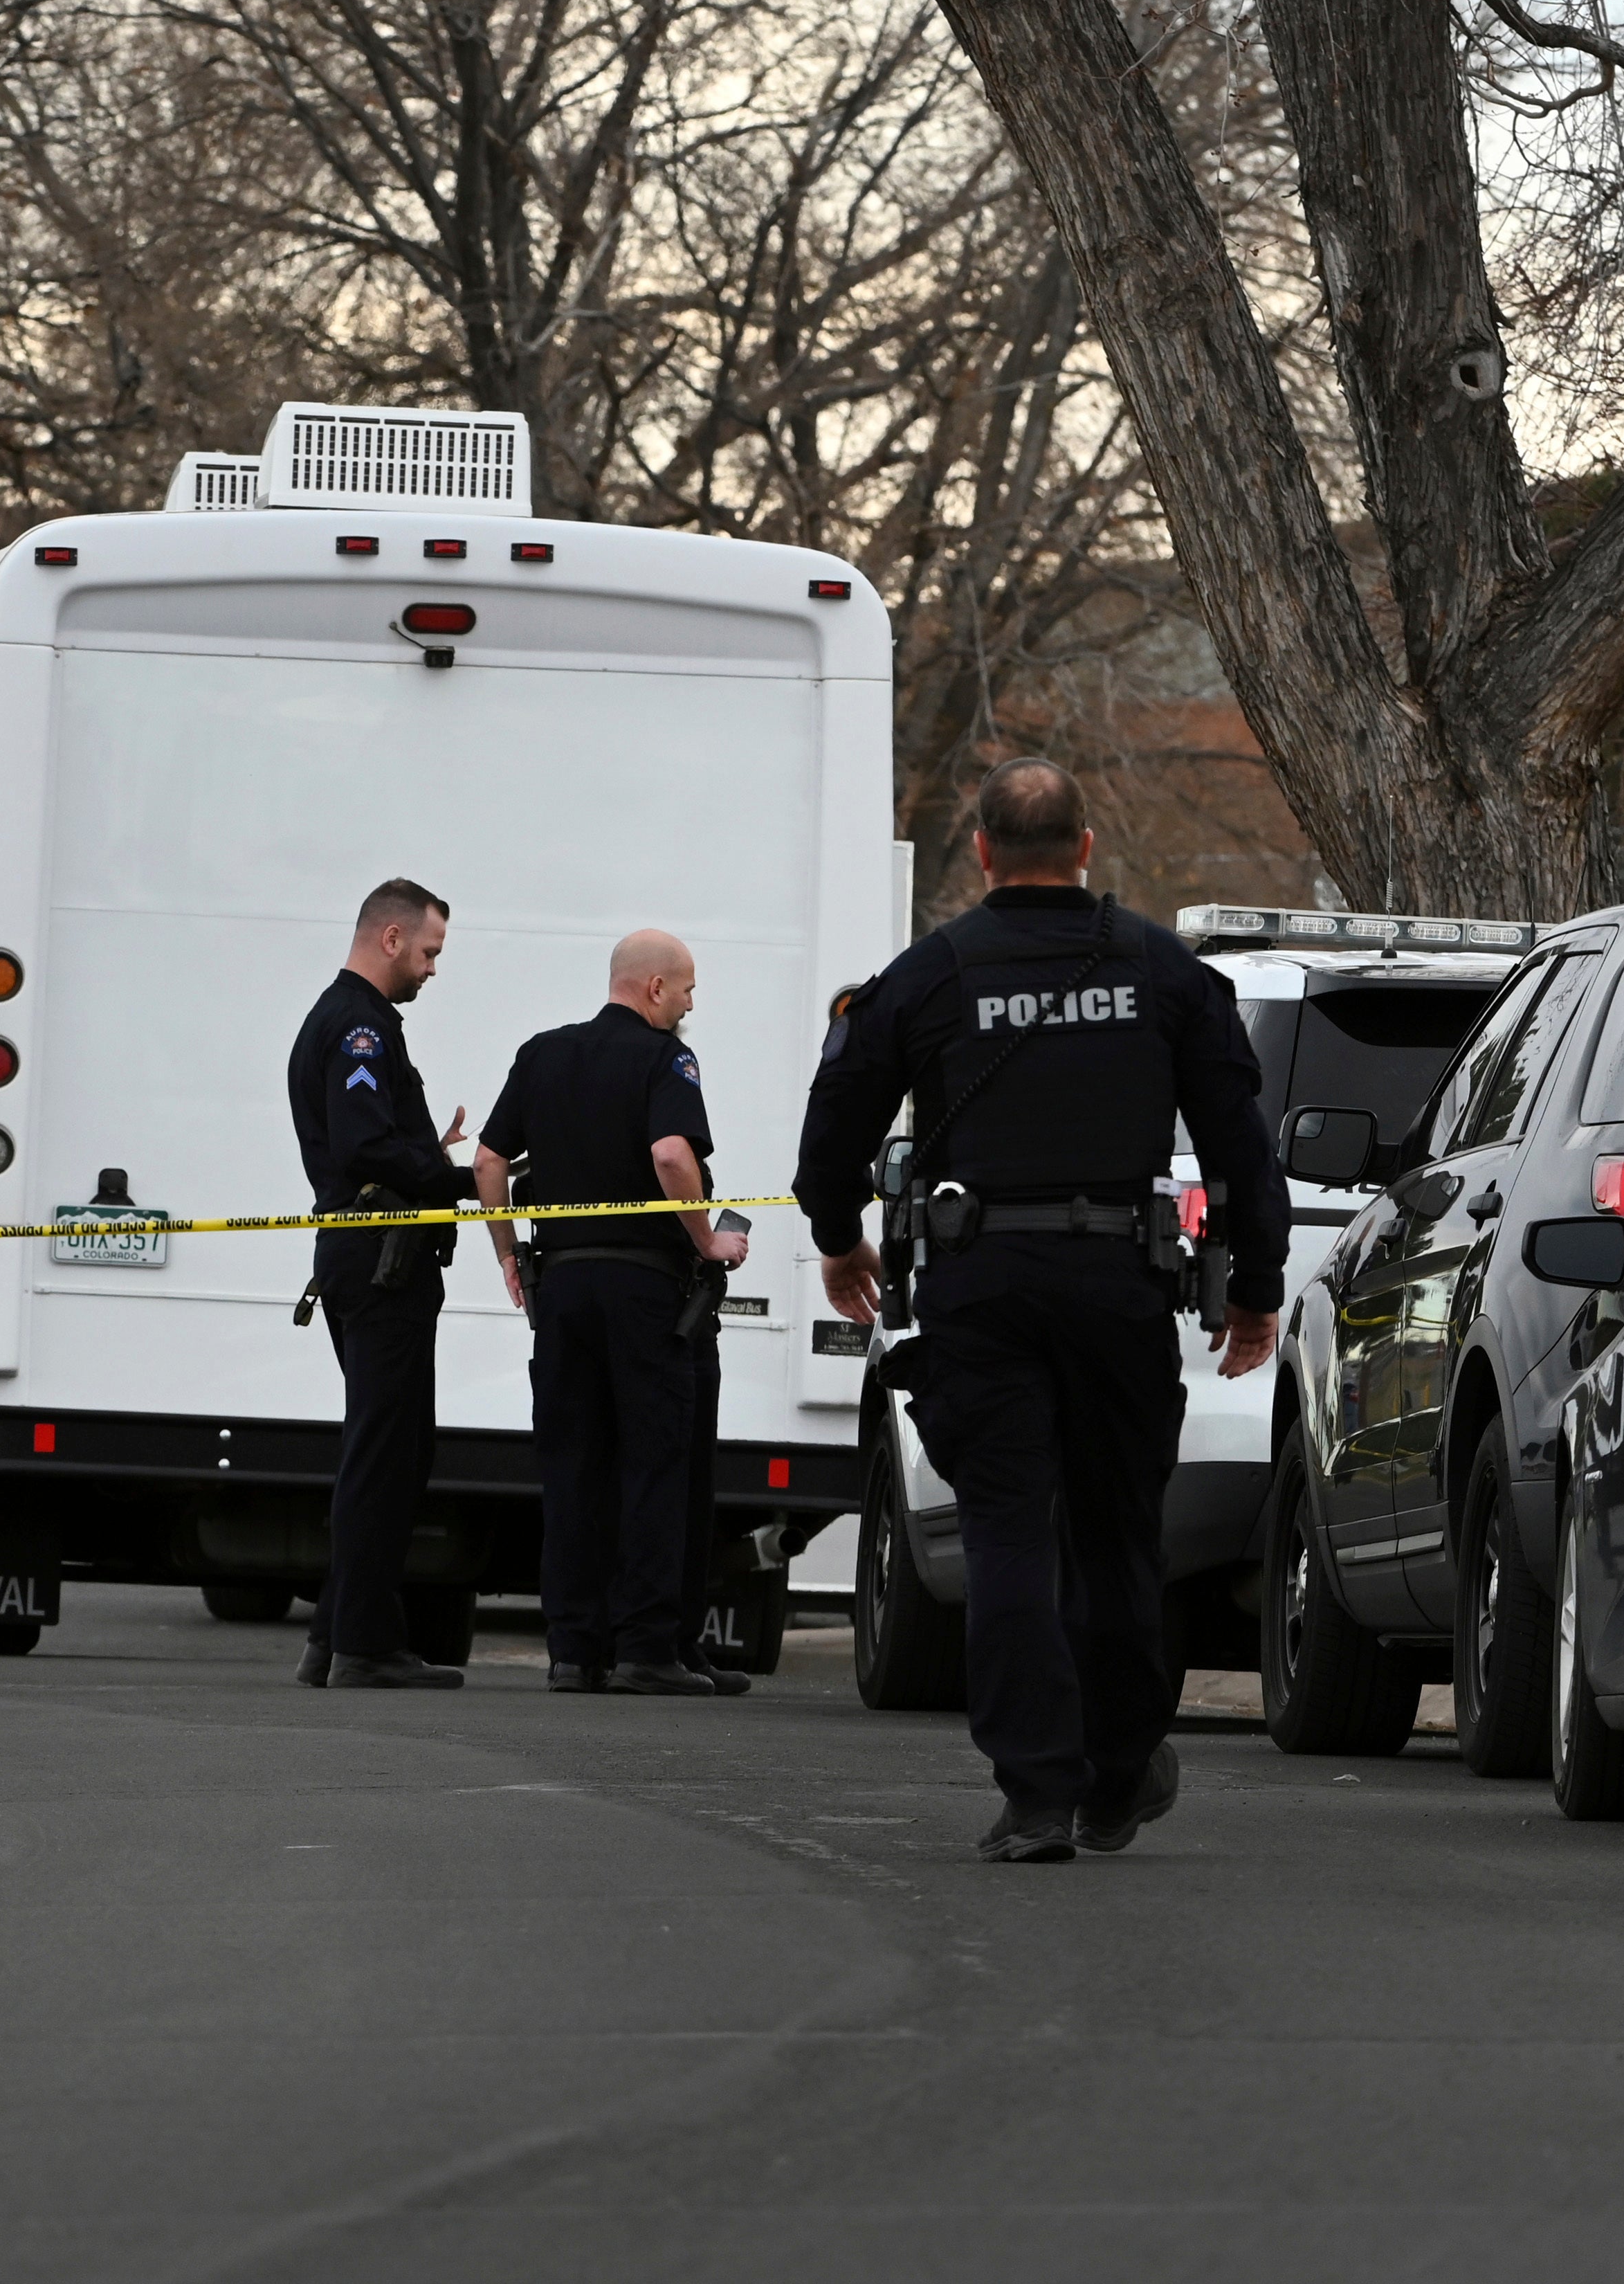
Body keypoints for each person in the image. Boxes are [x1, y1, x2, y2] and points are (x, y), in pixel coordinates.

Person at [793, 759, 1290, 1862]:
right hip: (1119, 1292)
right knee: (1119, 1538)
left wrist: (840, 1243)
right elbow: (1241, 1145)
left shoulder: (929, 976)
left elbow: (831, 1138)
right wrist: (1255, 1290)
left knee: (1009, 1534)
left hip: (982, 1296)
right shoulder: (1162, 972)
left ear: (980, 852)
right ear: (1086, 845)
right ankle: (1117, 1776)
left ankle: (1037, 1795)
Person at [475, 930, 749, 1696]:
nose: (692, 1003)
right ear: (655, 987)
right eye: (688, 989)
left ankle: (573, 1649)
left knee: (574, 1465)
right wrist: (710, 1239)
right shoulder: (667, 1058)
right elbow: (670, 1154)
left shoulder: (542, 1053)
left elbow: (488, 1161)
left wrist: (507, 1253)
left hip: (560, 1288)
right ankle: (648, 1649)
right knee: (655, 1465)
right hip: (645, 1290)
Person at [282, 879, 475, 1692]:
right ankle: (364, 1644)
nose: (433, 969)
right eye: (429, 951)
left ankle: (335, 1636)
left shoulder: (349, 1019)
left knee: (390, 1446)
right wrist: (455, 1176)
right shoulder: (360, 1027)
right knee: (386, 1453)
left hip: (369, 1256)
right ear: (391, 938)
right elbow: (366, 1146)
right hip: (380, 1259)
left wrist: (432, 1160)